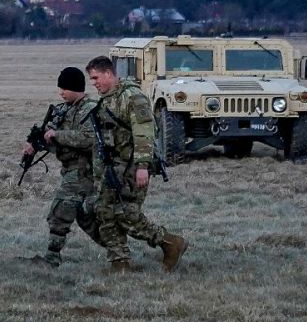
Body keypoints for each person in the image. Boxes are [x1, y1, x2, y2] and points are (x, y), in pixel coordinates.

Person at [86, 56, 187, 272]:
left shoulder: (132, 97)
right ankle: (119, 262)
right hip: (111, 169)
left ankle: (169, 242)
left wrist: (142, 165)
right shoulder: (107, 100)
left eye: (96, 78)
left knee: (126, 214)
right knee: (105, 212)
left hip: (131, 168)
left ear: (108, 74)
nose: (93, 83)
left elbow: (144, 132)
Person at [21, 67, 103, 267]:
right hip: (71, 169)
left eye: (65, 88)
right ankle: (119, 250)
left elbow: (89, 139)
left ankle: (51, 258)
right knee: (85, 218)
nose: (61, 92)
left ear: (76, 88)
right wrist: (37, 144)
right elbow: (55, 139)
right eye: (60, 88)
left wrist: (57, 136)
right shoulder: (65, 109)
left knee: (60, 212)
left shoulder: (90, 109)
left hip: (84, 170)